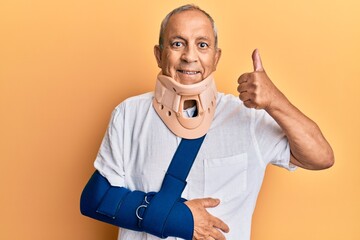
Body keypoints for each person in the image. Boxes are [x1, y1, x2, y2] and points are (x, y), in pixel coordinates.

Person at [80, 4, 334, 240]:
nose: (190, 56)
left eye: (202, 45)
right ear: (159, 55)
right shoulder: (129, 114)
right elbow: (95, 200)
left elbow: (321, 157)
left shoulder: (248, 118)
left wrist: (275, 101)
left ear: (216, 57)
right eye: (177, 43)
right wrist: (179, 219)